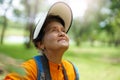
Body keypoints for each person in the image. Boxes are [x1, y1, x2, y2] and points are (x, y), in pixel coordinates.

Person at [4, 2, 79, 80]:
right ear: (40, 44)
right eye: (54, 30)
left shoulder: (72, 69)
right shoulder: (31, 69)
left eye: (63, 30)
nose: (62, 34)